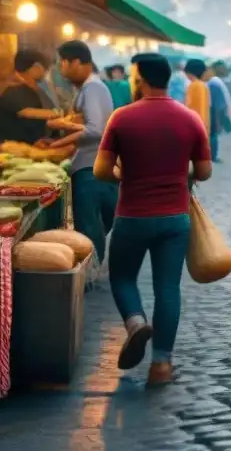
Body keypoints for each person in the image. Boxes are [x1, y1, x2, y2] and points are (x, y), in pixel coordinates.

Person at [93, 53, 212, 386]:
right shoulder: (190, 119)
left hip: (132, 215)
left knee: (122, 278)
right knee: (168, 288)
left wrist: (126, 174)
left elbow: (101, 170)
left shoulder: (122, 117)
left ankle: (134, 323)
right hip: (175, 218)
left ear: (140, 78)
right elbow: (203, 171)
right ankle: (161, 365)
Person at [51, 41, 118, 270]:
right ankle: (93, 268)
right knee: (92, 224)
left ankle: (90, 273)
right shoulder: (87, 88)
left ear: (76, 62)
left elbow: (95, 129)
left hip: (91, 168)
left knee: (89, 225)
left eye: (62, 64)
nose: (60, 70)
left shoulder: (93, 88)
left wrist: (58, 143)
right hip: (91, 166)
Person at [0, 49, 53, 144]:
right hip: (12, 151)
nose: (45, 72)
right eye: (45, 68)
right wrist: (61, 115)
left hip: (35, 147)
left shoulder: (34, 91)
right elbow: (27, 112)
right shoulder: (14, 90)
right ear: (36, 67)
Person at [208, 63, 231, 163]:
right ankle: (213, 156)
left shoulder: (214, 82)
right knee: (214, 134)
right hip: (216, 112)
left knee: (214, 134)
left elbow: (219, 104)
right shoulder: (216, 82)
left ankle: (213, 155)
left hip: (214, 112)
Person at [184, 59, 210, 133]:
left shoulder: (195, 85)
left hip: (196, 128)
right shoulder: (201, 85)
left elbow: (198, 110)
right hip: (201, 128)